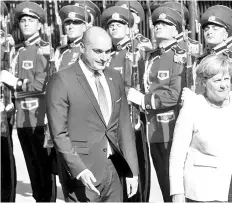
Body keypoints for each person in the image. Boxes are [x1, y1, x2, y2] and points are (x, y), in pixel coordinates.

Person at [46, 26, 139, 202]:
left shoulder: (114, 77)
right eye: (97, 51)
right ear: (82, 47)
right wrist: (79, 169)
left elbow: (124, 127)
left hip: (114, 170)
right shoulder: (62, 80)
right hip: (82, 174)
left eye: (108, 52)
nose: (104, 58)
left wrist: (132, 171)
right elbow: (58, 133)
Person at [169, 54, 232, 202]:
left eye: (226, 79)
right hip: (203, 191)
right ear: (204, 82)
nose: (223, 85)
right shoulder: (192, 107)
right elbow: (177, 154)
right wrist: (177, 192)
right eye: (217, 80)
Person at [127, 6, 186, 202]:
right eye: (157, 24)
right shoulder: (152, 56)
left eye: (166, 24)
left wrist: (143, 100)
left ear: (176, 31)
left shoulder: (178, 56)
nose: (159, 26)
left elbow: (173, 95)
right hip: (154, 130)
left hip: (171, 128)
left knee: (175, 187)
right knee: (164, 184)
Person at [0, 1, 57, 202]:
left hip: (39, 119)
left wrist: (15, 82)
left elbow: (41, 85)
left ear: (40, 25)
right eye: (23, 20)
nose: (25, 24)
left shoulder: (44, 50)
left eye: (31, 20)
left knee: (44, 175)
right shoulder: (18, 50)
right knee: (33, 173)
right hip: (22, 120)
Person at [101, 6, 150, 202]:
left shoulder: (139, 49)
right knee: (118, 171)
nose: (114, 28)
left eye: (119, 25)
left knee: (137, 168)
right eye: (111, 25)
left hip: (133, 118)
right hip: (112, 121)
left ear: (129, 28)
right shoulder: (108, 56)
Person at [196, 5, 232, 94]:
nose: (209, 32)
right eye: (206, 29)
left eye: (215, 29)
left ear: (226, 35)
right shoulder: (206, 55)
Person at [0, 2, 16, 202]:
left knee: (4, 156)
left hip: (2, 106)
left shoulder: (6, 43)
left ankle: (6, 198)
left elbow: (13, 71)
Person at [54, 1, 100, 71]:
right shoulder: (60, 51)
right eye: (68, 23)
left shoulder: (90, 50)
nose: (70, 26)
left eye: (75, 23)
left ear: (84, 27)